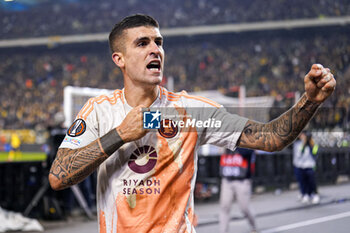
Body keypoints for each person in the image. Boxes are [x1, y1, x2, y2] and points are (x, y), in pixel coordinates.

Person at [48, 14, 336, 232]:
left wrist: (309, 101)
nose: (155, 50)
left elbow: (271, 138)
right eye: (142, 43)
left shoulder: (192, 111)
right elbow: (58, 177)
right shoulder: (98, 110)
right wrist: (120, 134)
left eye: (158, 42)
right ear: (119, 59)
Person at [219, 148, 256, 233]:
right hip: (227, 179)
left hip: (242, 180)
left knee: (245, 208)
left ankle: (253, 227)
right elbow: (220, 151)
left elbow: (247, 152)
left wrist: (234, 143)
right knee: (224, 207)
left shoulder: (247, 139)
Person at [293, 131, 320, 204]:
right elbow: (299, 154)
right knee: (303, 181)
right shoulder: (298, 144)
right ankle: (305, 194)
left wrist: (311, 144)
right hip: (300, 166)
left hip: (310, 165)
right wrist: (304, 144)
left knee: (312, 181)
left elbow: (315, 153)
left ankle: (314, 194)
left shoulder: (313, 144)